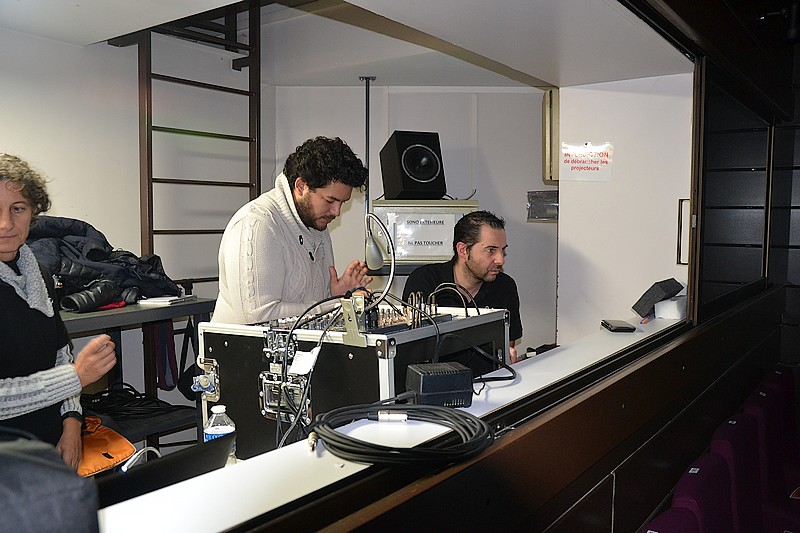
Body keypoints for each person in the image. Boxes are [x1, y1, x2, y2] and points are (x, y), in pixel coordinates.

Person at [0, 153, 117, 470]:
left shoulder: (36, 272)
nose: (6, 224)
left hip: (49, 447)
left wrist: (71, 423)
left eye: (18, 209)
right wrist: (76, 377)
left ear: (33, 213)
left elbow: (60, 354)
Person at [213, 136, 371, 324]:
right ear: (301, 186)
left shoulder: (316, 223)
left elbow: (308, 307)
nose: (336, 212)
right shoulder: (257, 224)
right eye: (330, 201)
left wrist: (334, 294)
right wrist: (337, 304)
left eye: (342, 203)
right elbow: (257, 316)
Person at [402, 210, 524, 363]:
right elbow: (411, 351)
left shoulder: (505, 286)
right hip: (435, 376)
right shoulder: (424, 281)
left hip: (490, 377)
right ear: (463, 250)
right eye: (491, 250)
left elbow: (506, 347)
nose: (500, 260)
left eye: (502, 250)